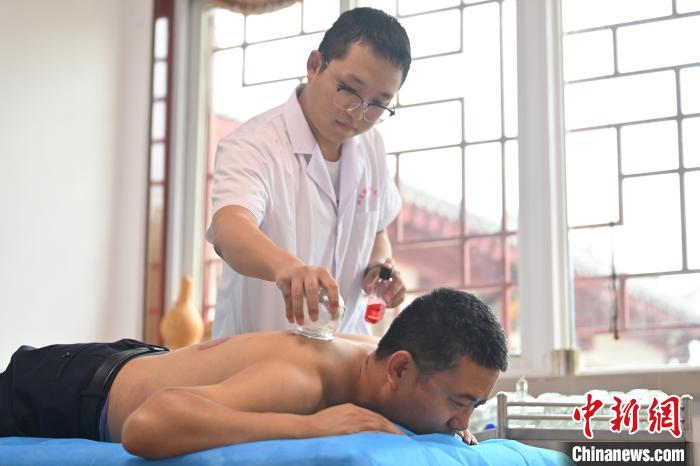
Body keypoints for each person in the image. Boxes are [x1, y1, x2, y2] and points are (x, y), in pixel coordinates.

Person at [0, 289, 508, 459]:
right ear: (400, 368)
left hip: (133, 361)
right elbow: (146, 426)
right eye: (457, 402)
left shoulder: (376, 355)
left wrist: (450, 418)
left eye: (474, 405)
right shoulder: (304, 381)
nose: (461, 421)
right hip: (63, 389)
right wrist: (310, 426)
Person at [207, 7, 412, 337]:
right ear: (315, 65)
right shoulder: (254, 144)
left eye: (377, 104)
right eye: (349, 89)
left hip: (344, 351)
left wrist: (377, 268)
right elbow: (229, 229)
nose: (358, 113)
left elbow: (377, 232)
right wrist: (287, 267)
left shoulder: (371, 146)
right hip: (259, 354)